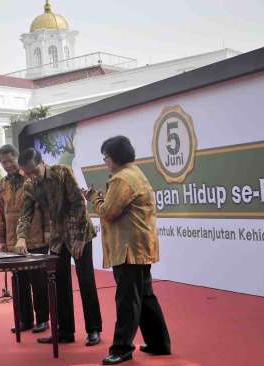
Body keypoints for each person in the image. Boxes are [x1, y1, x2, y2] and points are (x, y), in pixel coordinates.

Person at [84, 135, 171, 365]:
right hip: (139, 246)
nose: (105, 162)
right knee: (145, 296)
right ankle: (159, 342)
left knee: (127, 300)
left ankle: (122, 348)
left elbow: (109, 212)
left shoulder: (121, 179)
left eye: (106, 157)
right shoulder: (136, 173)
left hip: (128, 249)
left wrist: (94, 197)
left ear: (114, 158)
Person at [16, 148, 102, 347]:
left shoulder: (62, 172)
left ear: (43, 163)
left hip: (79, 233)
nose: (32, 176)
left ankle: (94, 329)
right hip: (57, 238)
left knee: (86, 281)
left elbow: (78, 204)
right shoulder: (30, 186)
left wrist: (80, 238)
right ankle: (65, 331)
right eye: (27, 173)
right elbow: (25, 215)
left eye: (34, 171)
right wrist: (21, 237)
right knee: (59, 284)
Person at [0, 144, 50, 334]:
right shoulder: (2, 184)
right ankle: (24, 320)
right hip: (12, 242)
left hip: (35, 238)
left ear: (18, 158)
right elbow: (0, 214)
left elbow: (44, 208)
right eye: (3, 162)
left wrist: (47, 232)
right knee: (19, 283)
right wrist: (0, 240)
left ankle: (43, 319)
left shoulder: (32, 176)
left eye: (10, 160)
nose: (8, 165)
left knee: (39, 282)